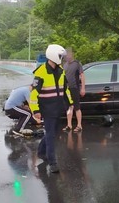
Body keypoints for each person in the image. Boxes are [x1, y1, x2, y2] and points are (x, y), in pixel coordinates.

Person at [29, 44, 73, 174]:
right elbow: (33, 94)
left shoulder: (60, 71)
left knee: (51, 133)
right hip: (47, 109)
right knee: (51, 135)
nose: (62, 58)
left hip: (58, 107)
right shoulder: (41, 73)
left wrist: (70, 104)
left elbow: (66, 89)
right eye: (60, 56)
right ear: (53, 56)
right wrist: (35, 111)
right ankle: (52, 162)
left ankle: (41, 152)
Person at [62, 48, 85, 133]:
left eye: (68, 55)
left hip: (74, 88)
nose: (67, 57)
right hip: (66, 89)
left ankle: (79, 125)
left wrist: (83, 88)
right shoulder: (65, 65)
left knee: (76, 107)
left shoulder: (77, 64)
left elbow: (82, 76)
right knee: (68, 107)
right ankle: (69, 125)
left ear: (71, 55)